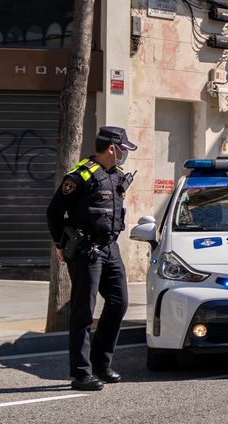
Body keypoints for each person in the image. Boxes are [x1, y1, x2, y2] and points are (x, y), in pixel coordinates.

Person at [46, 126, 137, 391]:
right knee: (83, 312)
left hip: (110, 248)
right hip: (86, 250)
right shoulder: (80, 176)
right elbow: (53, 212)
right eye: (123, 148)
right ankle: (81, 374)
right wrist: (59, 243)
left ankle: (101, 364)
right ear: (111, 148)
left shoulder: (116, 174)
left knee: (119, 303)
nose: (125, 153)